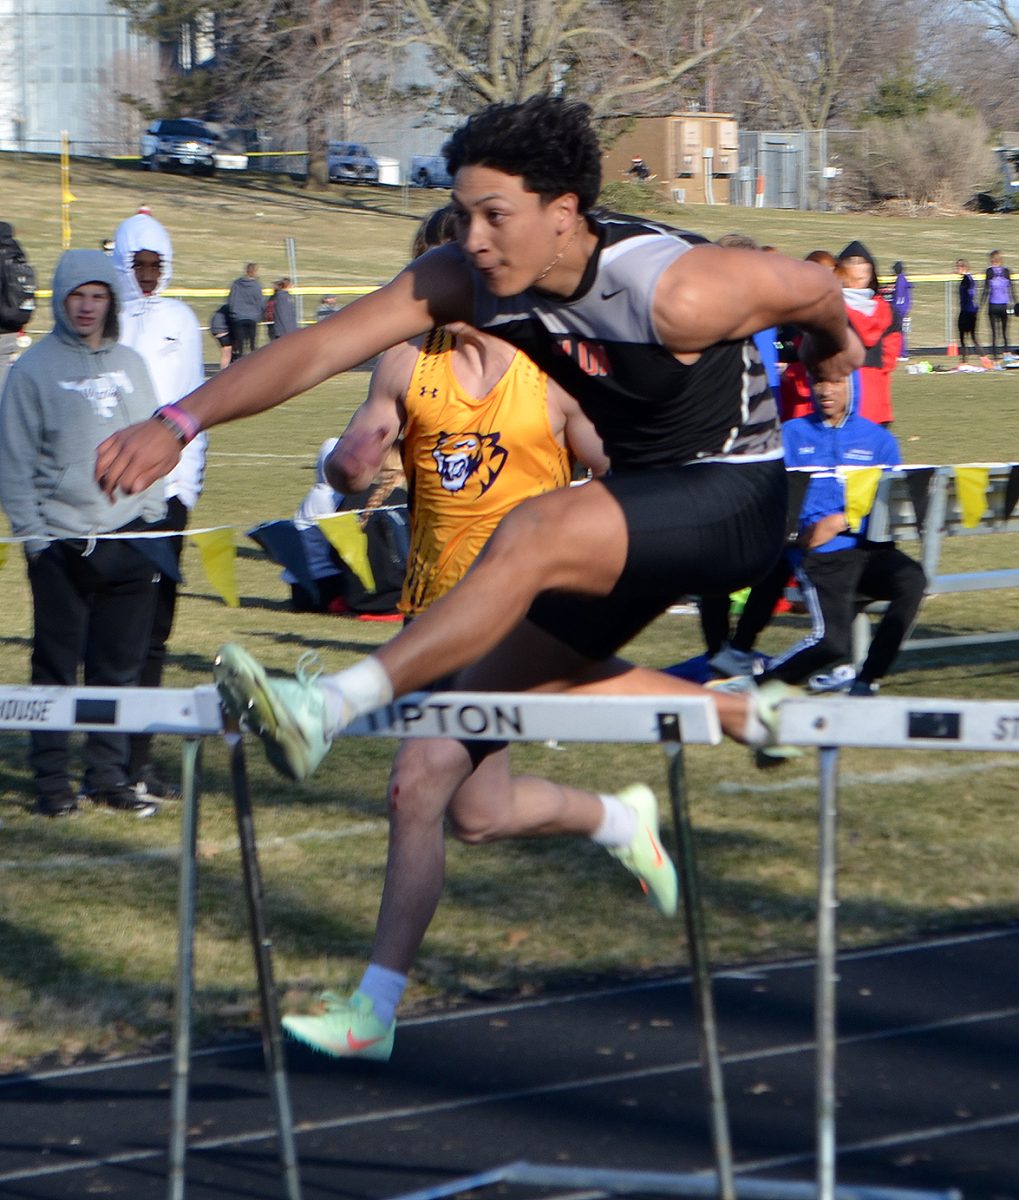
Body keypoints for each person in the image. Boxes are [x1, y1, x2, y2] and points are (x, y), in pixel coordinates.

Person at [96, 95, 862, 822]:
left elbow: (815, 289)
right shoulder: (467, 282)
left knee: (532, 529)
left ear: (563, 213)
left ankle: (324, 707)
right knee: (440, 756)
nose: (473, 239)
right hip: (635, 507)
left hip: (734, 499)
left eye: (494, 216)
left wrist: (833, 353)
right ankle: (744, 713)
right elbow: (321, 347)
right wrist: (179, 419)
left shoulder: (676, 290)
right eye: (463, 215)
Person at [276, 208, 642, 1059]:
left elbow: (611, 460)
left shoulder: (547, 375)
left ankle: (373, 1010)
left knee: (418, 780)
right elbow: (356, 452)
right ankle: (617, 819)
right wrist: (350, 461)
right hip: (434, 620)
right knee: (479, 814)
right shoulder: (405, 363)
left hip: (524, 624)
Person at [0, 249, 167, 818]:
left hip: (129, 540)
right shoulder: (32, 371)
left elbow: (156, 445)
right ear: (61, 299)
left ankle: (107, 775)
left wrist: (152, 521)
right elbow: (15, 464)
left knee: (116, 668)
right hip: (61, 545)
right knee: (55, 667)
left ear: (111, 301)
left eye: (98, 296)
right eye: (78, 296)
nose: (88, 306)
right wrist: (36, 541)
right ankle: (51, 782)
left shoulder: (132, 364)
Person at [112, 210, 209, 801]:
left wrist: (186, 491)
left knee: (154, 632)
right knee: (112, 633)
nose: (148, 276)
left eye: (156, 266)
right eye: (138, 265)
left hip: (168, 500)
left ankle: (139, 760)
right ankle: (104, 762)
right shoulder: (104, 314)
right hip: (114, 498)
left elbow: (197, 407)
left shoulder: (181, 320)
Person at [755, 373, 926, 696]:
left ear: (852, 386)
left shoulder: (878, 440)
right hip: (822, 555)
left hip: (869, 550)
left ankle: (867, 679)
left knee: (913, 580)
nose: (825, 391)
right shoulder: (789, 435)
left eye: (835, 382)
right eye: (818, 382)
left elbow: (890, 502)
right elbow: (771, 503)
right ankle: (760, 684)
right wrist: (799, 537)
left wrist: (843, 521)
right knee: (832, 642)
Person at [835, 240, 898, 426]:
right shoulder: (888, 312)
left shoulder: (831, 309)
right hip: (876, 400)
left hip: (841, 398)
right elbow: (889, 359)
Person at [981, 249, 1013, 362]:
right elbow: (1011, 289)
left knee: (994, 333)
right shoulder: (1006, 271)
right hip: (1003, 305)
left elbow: (986, 290)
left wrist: (981, 305)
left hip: (993, 305)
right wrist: (1014, 303)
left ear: (991, 260)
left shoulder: (989, 271)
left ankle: (994, 356)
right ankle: (1006, 353)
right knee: (1005, 332)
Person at [227, 262, 263, 359]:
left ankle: (240, 368)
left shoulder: (236, 284)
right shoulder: (256, 285)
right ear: (255, 272)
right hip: (252, 318)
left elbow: (231, 300)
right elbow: (260, 302)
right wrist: (259, 315)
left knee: (240, 347)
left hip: (238, 317)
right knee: (252, 345)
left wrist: (233, 313)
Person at [955, 259, 983, 363]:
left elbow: (971, 294)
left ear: (963, 268)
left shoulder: (967, 279)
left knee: (969, 337)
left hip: (968, 311)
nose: (956, 269)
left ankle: (968, 360)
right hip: (966, 310)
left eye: (958, 267)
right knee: (967, 337)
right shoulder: (966, 279)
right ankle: (967, 360)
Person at [890, 261, 911, 360]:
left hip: (899, 309)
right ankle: (901, 352)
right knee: (900, 331)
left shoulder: (900, 280)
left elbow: (899, 297)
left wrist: (894, 308)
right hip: (903, 308)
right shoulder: (902, 279)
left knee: (899, 332)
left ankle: (902, 353)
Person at [209, 303, 233, 369]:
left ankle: (224, 370)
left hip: (215, 328)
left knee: (224, 351)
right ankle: (224, 371)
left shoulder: (228, 306)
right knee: (227, 351)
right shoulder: (235, 308)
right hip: (221, 328)